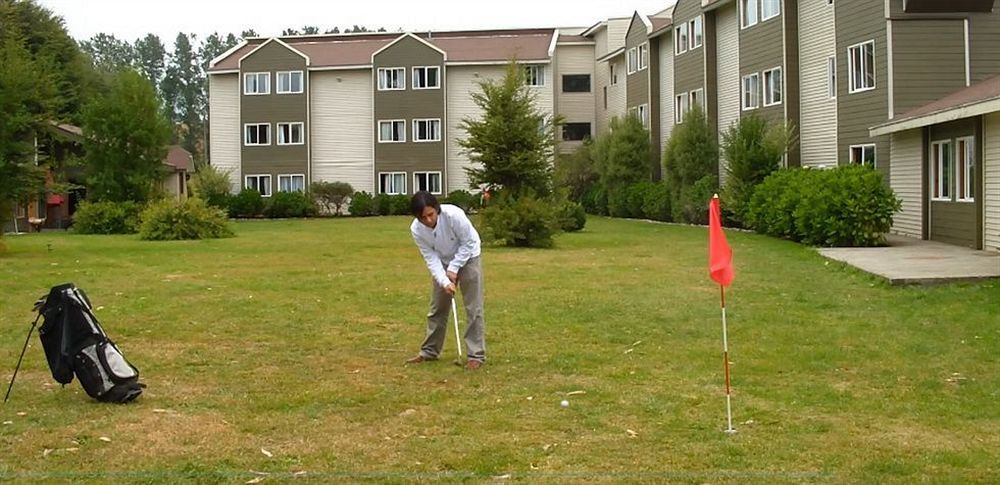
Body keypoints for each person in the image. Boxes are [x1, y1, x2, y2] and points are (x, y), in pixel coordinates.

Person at [406, 191, 486, 370]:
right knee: (437, 308)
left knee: (473, 308)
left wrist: (454, 268)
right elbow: (430, 257)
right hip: (442, 261)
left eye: (430, 215)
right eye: (422, 217)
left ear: (436, 209)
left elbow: (468, 243)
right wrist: (445, 281)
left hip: (469, 257)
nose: (427, 220)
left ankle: (476, 355)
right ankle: (429, 351)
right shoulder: (416, 230)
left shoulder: (454, 215)